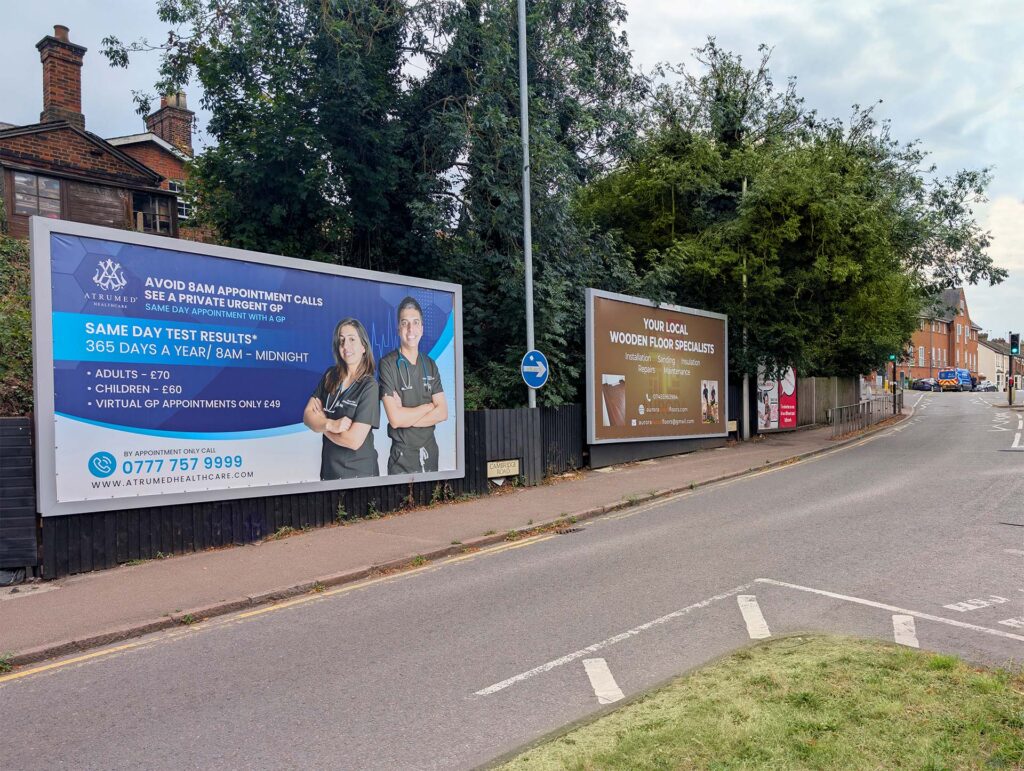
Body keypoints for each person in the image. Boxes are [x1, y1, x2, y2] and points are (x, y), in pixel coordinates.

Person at [378, 297, 448, 474]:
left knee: (434, 501)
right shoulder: (387, 364)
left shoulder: (430, 364)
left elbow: (443, 412)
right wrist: (428, 407)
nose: (411, 329)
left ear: (422, 329)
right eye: (405, 323)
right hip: (402, 457)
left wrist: (406, 416)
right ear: (398, 328)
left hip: (431, 453)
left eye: (416, 322)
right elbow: (395, 419)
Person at [303, 318, 380, 480]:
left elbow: (353, 441)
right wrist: (331, 424)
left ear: (363, 347)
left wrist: (321, 425)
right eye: (342, 340)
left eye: (352, 339)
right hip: (329, 471)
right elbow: (307, 416)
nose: (346, 346)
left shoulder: (369, 386)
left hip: (359, 475)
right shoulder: (331, 375)